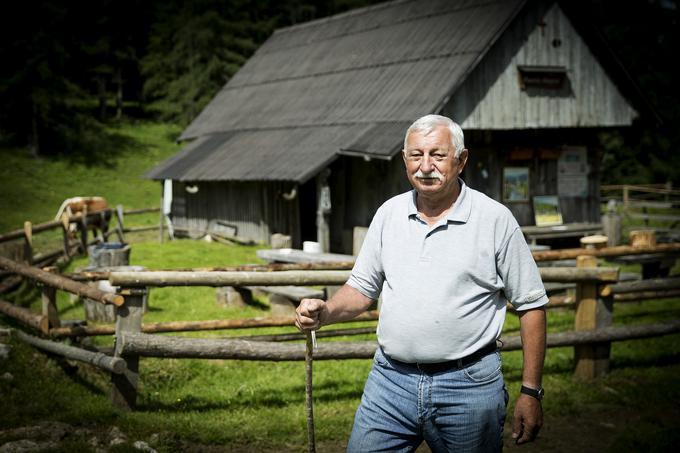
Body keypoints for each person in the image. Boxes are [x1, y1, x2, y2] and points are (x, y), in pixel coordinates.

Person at [295, 114, 547, 452]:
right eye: (416, 155)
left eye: (437, 155)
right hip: (390, 382)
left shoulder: (494, 220)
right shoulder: (388, 215)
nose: (425, 166)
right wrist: (325, 311)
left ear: (461, 160)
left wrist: (530, 391)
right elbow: (361, 288)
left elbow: (531, 305)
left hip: (468, 387)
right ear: (404, 160)